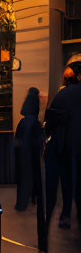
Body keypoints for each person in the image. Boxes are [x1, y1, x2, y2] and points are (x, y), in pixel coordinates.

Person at [44, 67, 81, 229]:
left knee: (67, 181)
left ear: (65, 80)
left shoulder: (62, 95)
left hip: (65, 146)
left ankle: (66, 215)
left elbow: (50, 120)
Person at [14, 87, 42, 212]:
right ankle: (34, 197)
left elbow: (17, 141)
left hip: (23, 152)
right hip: (33, 151)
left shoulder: (22, 122)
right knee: (35, 173)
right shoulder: (36, 123)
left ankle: (21, 203)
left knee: (24, 176)